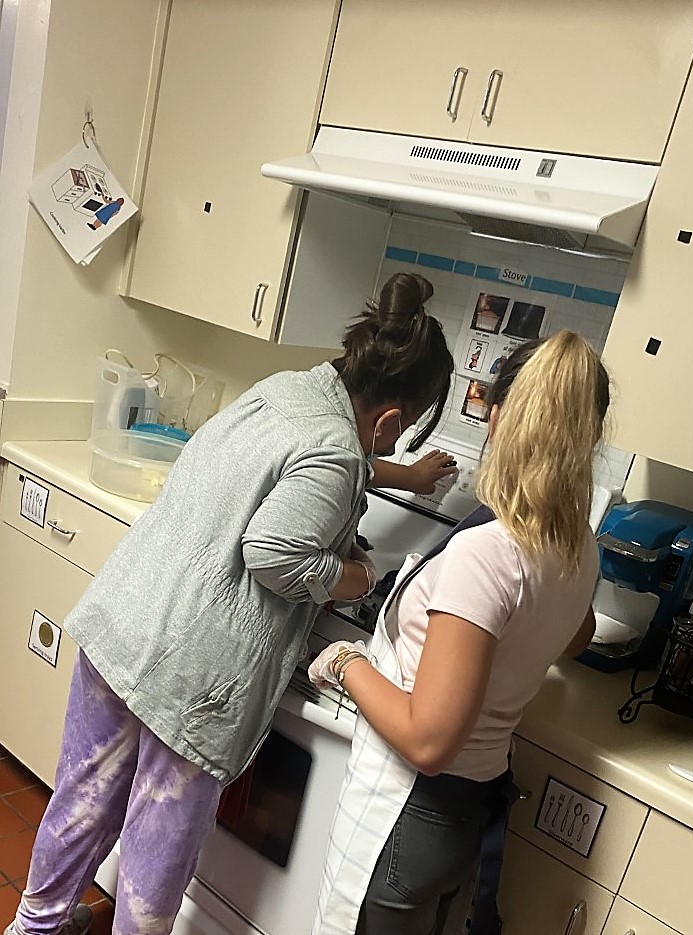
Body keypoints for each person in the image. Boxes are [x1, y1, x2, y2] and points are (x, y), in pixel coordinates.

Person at [4, 272, 456, 935]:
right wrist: (356, 577)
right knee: (158, 849)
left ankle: (32, 925)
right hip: (191, 675)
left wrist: (399, 474)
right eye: (403, 429)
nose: (396, 440)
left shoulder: (289, 389)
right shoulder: (335, 449)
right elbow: (275, 552)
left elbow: (323, 454)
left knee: (85, 796)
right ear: (389, 416)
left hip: (128, 618)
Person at [308, 330, 608, 935]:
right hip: (463, 816)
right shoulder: (580, 548)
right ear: (589, 438)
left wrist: (346, 663)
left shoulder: (488, 552)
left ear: (496, 418)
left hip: (409, 809)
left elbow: (428, 741)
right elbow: (578, 636)